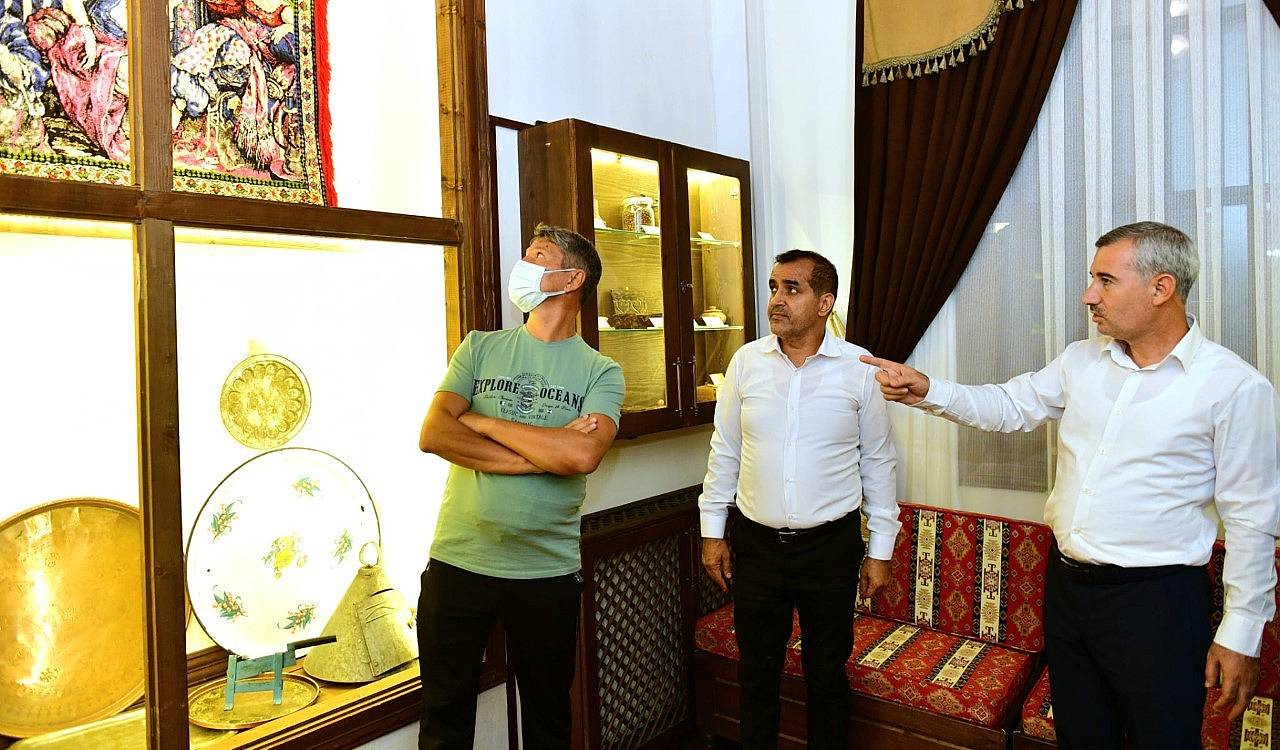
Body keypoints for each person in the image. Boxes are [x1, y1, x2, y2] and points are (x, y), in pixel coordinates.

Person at [861, 222, 1280, 750]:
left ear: (1161, 288)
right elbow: (1010, 406)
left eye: (1105, 280)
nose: (1088, 296)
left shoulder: (1234, 387)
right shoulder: (1082, 359)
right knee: (1081, 737)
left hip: (1157, 605)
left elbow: (1252, 519)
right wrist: (928, 389)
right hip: (1067, 590)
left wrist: (1242, 631)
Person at [416, 223, 624, 750]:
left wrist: (483, 422)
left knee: (547, 723)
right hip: (458, 562)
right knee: (443, 720)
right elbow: (434, 434)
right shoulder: (479, 348)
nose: (524, 264)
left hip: (545, 573)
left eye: (539, 255)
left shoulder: (601, 372)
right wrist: (541, 456)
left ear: (572, 279)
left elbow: (583, 455)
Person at [699, 249, 900, 750]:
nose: (776, 299)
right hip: (757, 545)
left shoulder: (859, 368)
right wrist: (712, 532)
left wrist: (880, 551)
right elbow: (725, 450)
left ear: (824, 303)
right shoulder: (746, 362)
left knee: (826, 674)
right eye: (773, 287)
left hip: (829, 548)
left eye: (792, 289)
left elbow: (878, 462)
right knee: (757, 672)